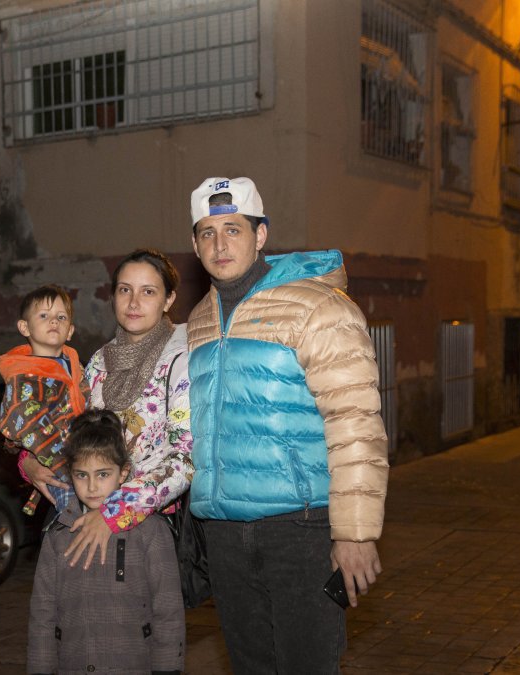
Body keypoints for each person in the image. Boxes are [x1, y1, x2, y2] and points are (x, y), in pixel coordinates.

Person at [185, 176, 390, 673]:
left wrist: (356, 535)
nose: (220, 244)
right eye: (208, 233)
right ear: (194, 245)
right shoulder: (198, 321)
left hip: (301, 529)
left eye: (233, 229)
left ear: (260, 236)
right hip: (225, 534)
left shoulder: (320, 308)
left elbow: (356, 425)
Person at [52, 249, 193, 568]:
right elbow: (75, 435)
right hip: (89, 516)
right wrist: (34, 464)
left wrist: (113, 514)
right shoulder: (100, 361)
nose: (133, 302)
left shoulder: (181, 361)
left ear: (168, 300)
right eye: (125, 290)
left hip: (147, 526)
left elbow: (184, 459)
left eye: (148, 291)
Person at [28, 409, 185, 675]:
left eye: (102, 474)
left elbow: (168, 610)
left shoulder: (151, 532)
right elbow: (42, 613)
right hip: (73, 663)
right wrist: (40, 669)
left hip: (134, 664)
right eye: (81, 475)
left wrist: (168, 669)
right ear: (70, 473)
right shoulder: (58, 533)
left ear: (122, 473)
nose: (92, 487)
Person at [0, 284, 88, 514]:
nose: (54, 321)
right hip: (60, 469)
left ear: (70, 331)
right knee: (74, 520)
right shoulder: (23, 378)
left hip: (89, 462)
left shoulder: (75, 366)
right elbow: (25, 423)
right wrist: (66, 467)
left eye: (61, 317)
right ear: (24, 327)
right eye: (44, 316)